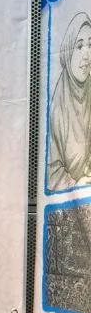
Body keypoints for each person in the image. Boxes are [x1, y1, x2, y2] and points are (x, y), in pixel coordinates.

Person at [48, 11, 91, 192]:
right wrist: (76, 185)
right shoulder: (58, 105)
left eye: (90, 45)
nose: (87, 55)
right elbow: (51, 173)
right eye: (79, 46)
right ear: (67, 53)